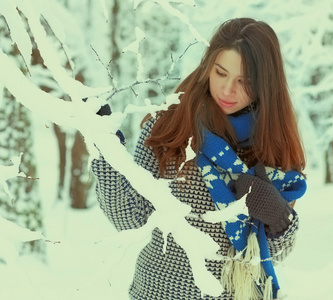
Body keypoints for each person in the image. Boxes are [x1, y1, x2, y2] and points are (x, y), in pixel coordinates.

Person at [91, 17, 307, 300]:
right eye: (221, 73)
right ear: (208, 67)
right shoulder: (168, 127)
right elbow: (130, 219)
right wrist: (105, 148)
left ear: (266, 85)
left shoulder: (273, 143)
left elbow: (275, 255)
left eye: (245, 81)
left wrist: (280, 220)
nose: (228, 90)